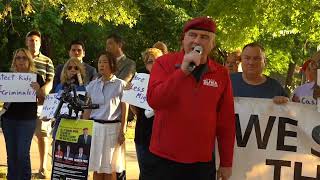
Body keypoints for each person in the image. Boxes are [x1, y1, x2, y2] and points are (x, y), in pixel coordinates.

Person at [146, 16, 236, 180]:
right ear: (183, 39)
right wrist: (182, 72)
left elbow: (226, 123)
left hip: (201, 163)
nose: (197, 40)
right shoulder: (164, 63)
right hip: (163, 159)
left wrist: (226, 162)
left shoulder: (221, 73)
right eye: (192, 35)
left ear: (212, 44)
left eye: (204, 37)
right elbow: (155, 100)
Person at [83, 51, 129, 180]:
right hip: (95, 129)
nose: (101, 65)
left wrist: (122, 131)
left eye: (104, 62)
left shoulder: (120, 84)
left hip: (113, 130)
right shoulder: (92, 85)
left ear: (112, 65)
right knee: (96, 168)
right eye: (99, 62)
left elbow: (125, 108)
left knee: (110, 169)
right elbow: (87, 110)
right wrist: (82, 128)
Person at [1, 48, 45, 180]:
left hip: (27, 120)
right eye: (18, 58)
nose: (21, 60)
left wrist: (38, 90)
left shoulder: (36, 77)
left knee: (22, 153)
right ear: (14, 61)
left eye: (24, 58)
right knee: (12, 154)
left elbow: (43, 100)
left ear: (29, 60)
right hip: (9, 120)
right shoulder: (8, 78)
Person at [130, 48, 163, 180]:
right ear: (145, 64)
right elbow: (135, 110)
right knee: (145, 173)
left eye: (158, 61)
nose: (154, 64)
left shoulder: (170, 80)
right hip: (143, 134)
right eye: (150, 61)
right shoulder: (140, 79)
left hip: (163, 136)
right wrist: (130, 93)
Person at [25, 30, 54, 178]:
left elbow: (50, 81)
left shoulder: (47, 61)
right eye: (30, 40)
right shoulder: (20, 58)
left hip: (42, 104)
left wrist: (41, 92)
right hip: (22, 106)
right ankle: (25, 169)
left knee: (42, 135)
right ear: (26, 42)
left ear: (40, 43)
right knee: (25, 136)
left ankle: (43, 169)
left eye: (36, 40)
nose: (33, 43)